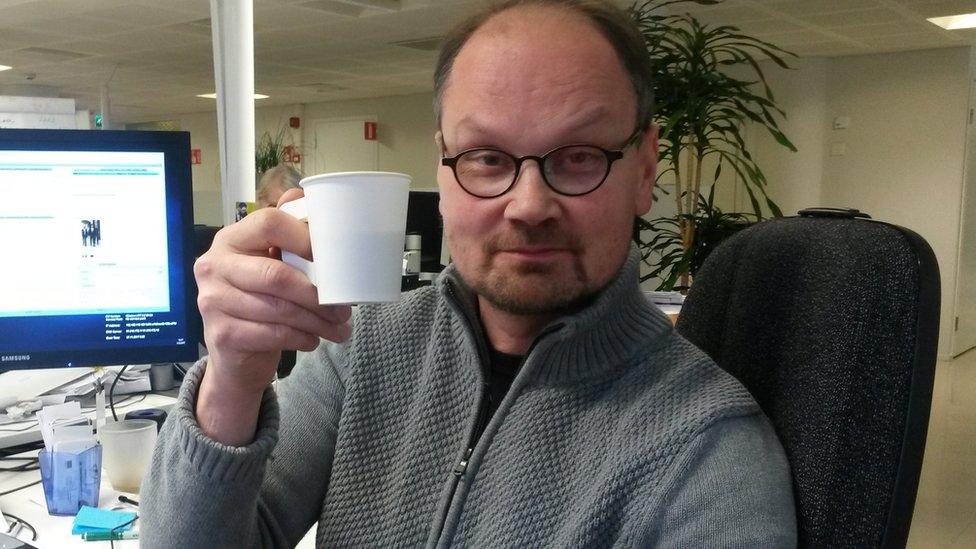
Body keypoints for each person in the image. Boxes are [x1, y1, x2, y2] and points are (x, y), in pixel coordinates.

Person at [142, 1, 797, 546]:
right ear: (443, 167)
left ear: (646, 167)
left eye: (577, 157)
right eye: (487, 157)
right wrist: (233, 381)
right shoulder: (363, 347)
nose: (530, 205)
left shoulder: (708, 450)